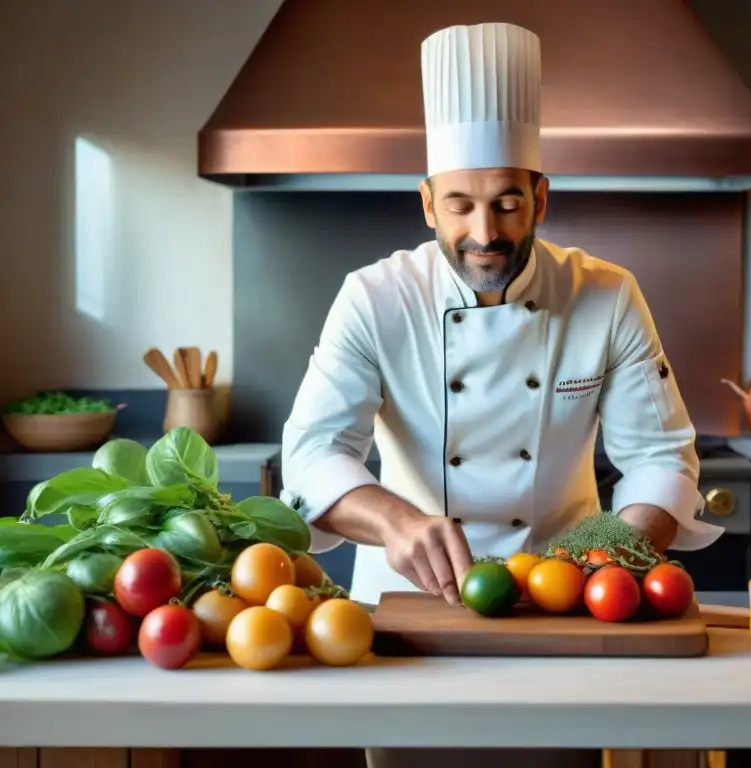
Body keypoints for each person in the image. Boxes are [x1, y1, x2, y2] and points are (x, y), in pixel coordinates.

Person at [280, 20, 723, 768]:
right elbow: (312, 454)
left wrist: (607, 556)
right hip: (405, 610)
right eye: (459, 204)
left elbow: (660, 460)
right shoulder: (375, 298)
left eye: (507, 203)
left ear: (541, 196)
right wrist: (394, 521)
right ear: (427, 203)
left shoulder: (607, 296)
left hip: (568, 608)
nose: (484, 232)